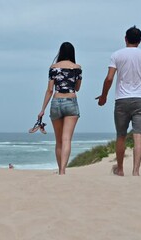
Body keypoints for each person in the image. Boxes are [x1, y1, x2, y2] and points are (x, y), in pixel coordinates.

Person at [96, 26, 141, 176]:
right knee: (138, 135)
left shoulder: (117, 55)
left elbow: (109, 78)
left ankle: (120, 169)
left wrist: (103, 96)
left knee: (121, 135)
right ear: (140, 40)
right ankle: (136, 171)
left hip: (122, 99)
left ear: (125, 39)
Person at [37, 42, 82, 175]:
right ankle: (63, 170)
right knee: (67, 139)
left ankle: (59, 169)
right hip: (71, 100)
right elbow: (78, 88)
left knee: (58, 140)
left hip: (56, 101)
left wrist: (42, 109)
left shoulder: (53, 67)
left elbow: (50, 90)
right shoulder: (77, 68)